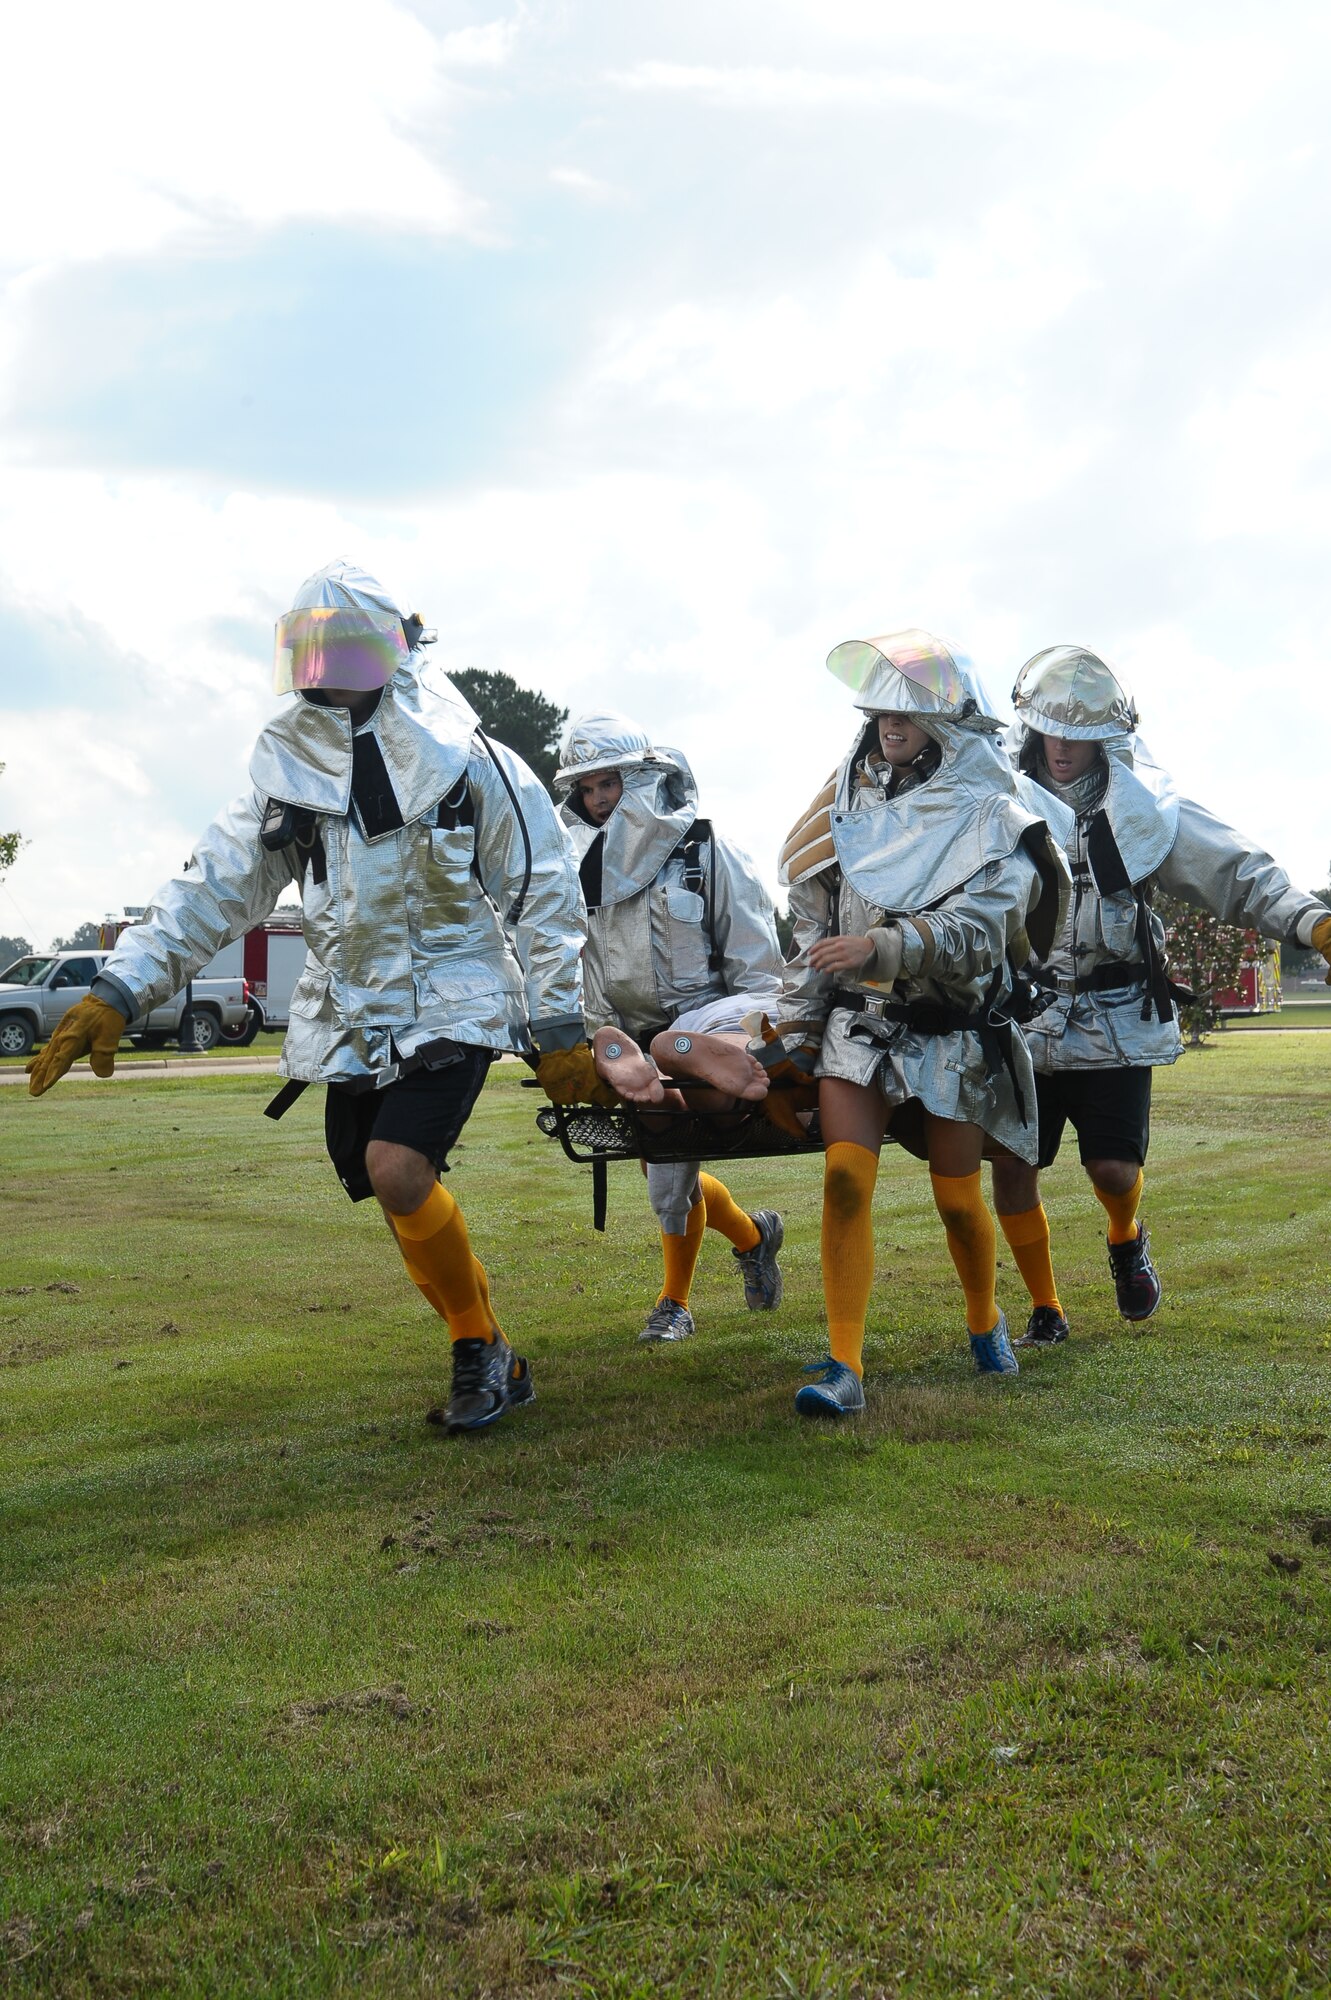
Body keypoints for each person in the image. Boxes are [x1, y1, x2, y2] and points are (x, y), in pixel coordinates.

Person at [27, 559, 593, 1433]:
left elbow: (544, 891)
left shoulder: (473, 762)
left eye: (344, 649)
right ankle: (494, 1350)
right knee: (396, 1191)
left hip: (455, 996)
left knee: (396, 1169)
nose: (324, 669)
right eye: (308, 650)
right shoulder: (284, 772)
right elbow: (212, 888)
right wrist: (119, 986)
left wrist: (557, 1025)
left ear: (391, 650)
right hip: (350, 1017)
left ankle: (476, 1350)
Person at [990, 644, 1331, 1342]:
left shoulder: (1143, 809)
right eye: (1051, 731)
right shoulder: (995, 799)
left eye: (1078, 735)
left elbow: (1234, 869)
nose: (1061, 748)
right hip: (1024, 1016)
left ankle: (1125, 1237)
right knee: (1011, 1163)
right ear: (1031, 729)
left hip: (1116, 1017)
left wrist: (1311, 922)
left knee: (1113, 1170)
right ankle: (1045, 1309)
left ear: (1105, 739)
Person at [773, 630, 1071, 1416]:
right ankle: (844, 1363)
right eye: (877, 711)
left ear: (952, 723)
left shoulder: (995, 813)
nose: (885, 724)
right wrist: (799, 1032)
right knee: (843, 1182)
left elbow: (983, 929)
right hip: (860, 1027)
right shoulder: (841, 797)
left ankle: (983, 1318)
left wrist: (884, 945)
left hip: (955, 1030)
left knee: (956, 1200)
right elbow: (812, 921)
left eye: (905, 712)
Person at [555, 710, 787, 1343]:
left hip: (715, 1015)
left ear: (642, 779)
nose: (599, 801)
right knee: (663, 1160)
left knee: (681, 1135)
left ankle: (673, 1303)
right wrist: (600, 1036)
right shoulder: (570, 871)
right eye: (587, 788)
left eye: (610, 785)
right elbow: (581, 967)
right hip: (631, 1039)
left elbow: (757, 966)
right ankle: (754, 1236)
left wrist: (749, 1031)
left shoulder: (705, 850)